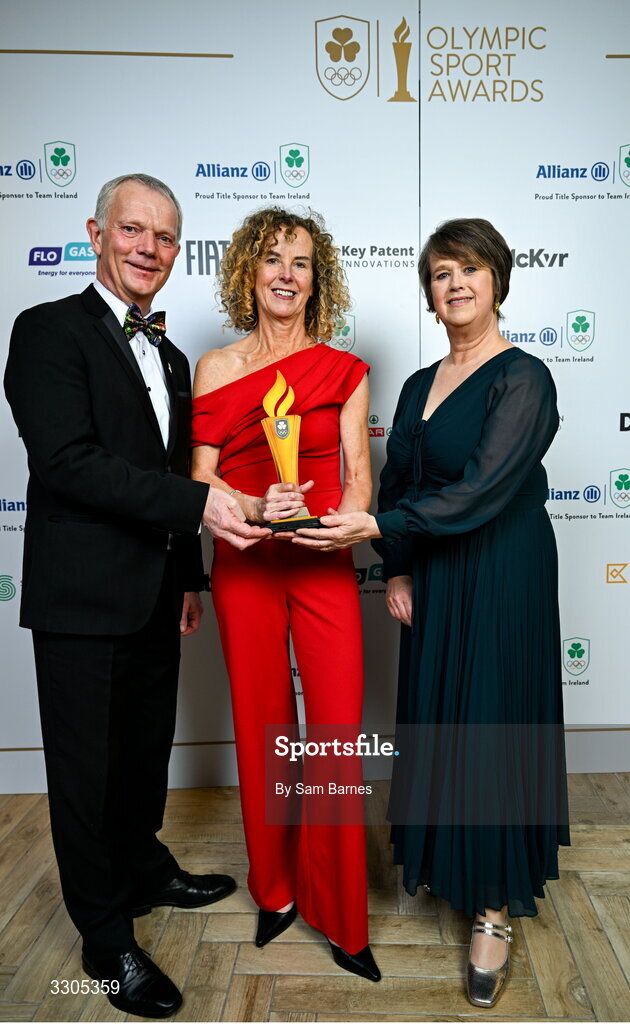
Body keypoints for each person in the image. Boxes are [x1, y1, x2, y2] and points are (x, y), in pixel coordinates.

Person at [3, 173, 267, 1020]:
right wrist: (201, 510)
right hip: (83, 597)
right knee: (87, 772)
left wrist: (189, 576)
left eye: (164, 237)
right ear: (96, 232)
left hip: (158, 591)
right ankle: (106, 937)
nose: (148, 248)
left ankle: (145, 866)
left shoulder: (173, 353)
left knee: (145, 749)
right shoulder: (46, 331)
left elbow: (165, 472)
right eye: (133, 230)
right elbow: (69, 463)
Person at [295, 218, 570, 1007]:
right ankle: (451, 863)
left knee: (488, 725)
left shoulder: (524, 378)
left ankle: (492, 908)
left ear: (497, 282)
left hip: (502, 572)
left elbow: (483, 489)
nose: (455, 285)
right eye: (442, 273)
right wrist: (400, 568)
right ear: (429, 291)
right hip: (435, 572)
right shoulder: (418, 385)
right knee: (440, 721)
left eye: (471, 271)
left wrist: (379, 531)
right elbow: (405, 484)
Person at [191, 206, 380, 981]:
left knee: (334, 734)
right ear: (248, 271)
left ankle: (342, 913)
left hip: (324, 560)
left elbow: (361, 475)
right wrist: (244, 503)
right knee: (261, 724)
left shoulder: (347, 370)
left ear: (317, 278)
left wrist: (344, 523)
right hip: (245, 564)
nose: (285, 274)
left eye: (301, 262)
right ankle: (274, 892)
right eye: (272, 259)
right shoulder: (216, 367)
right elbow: (197, 479)